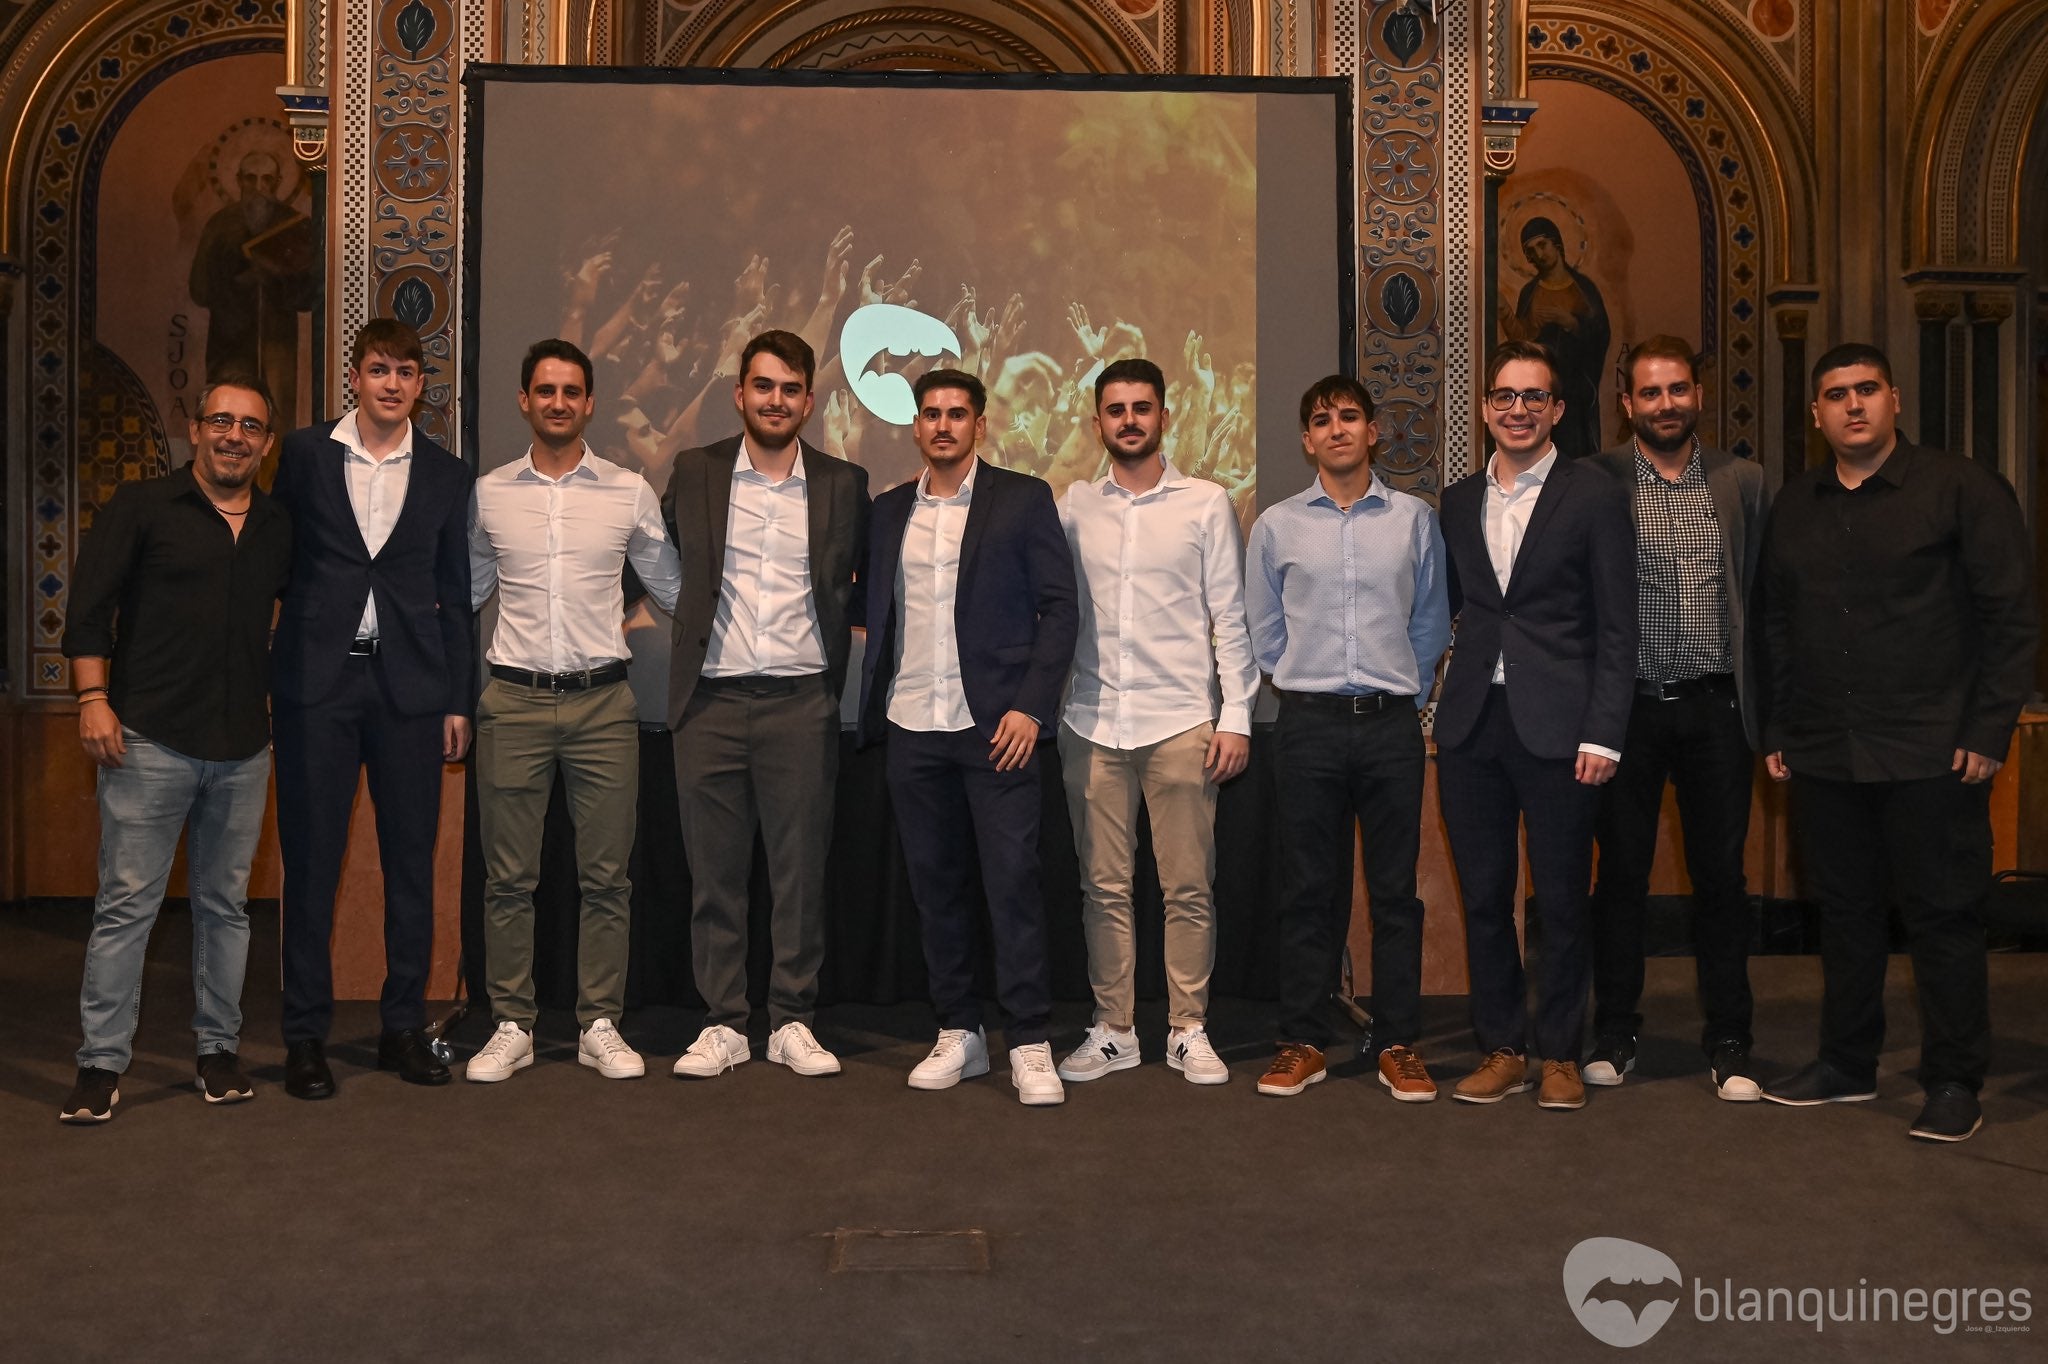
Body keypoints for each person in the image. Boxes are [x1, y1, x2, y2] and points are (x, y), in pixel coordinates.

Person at [1759, 343, 2037, 1143]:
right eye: (1836, 395)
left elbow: (2010, 618)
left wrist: (1989, 730)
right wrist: (1779, 726)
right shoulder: (1797, 503)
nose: (1853, 405)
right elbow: (1776, 623)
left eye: (1867, 390)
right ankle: (1846, 1065)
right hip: (1824, 747)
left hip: (1933, 747)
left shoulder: (1962, 490)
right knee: (1844, 914)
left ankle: (1954, 1080)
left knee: (1942, 917)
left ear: (1896, 400)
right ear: (1816, 414)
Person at [57, 375, 293, 1122]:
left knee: (225, 910)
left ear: (266, 443)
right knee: (127, 909)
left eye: (250, 426)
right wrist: (94, 701)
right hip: (147, 742)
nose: (234, 436)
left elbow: (286, 618)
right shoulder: (142, 507)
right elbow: (88, 612)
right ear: (197, 429)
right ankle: (100, 1064)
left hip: (244, 751)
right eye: (221, 421)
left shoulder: (278, 525)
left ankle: (217, 1052)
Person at [856, 368, 1078, 1106]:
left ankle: (1031, 1039)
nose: (943, 425)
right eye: (930, 414)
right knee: (935, 887)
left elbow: (1060, 609)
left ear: (980, 425)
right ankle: (959, 1031)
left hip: (997, 730)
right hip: (912, 727)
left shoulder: (1022, 498)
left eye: (957, 414)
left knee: (1013, 885)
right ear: (915, 427)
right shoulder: (887, 512)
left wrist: (1030, 708)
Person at [465, 339, 681, 1083]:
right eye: (545, 391)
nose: (558, 402)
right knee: (508, 879)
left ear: (589, 404)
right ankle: (510, 1023)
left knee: (607, 878)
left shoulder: (629, 491)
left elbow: (676, 589)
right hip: (513, 701)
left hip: (603, 706)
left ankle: (598, 1022)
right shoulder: (490, 494)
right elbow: (464, 594)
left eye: (572, 391)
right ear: (524, 401)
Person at [270, 318, 474, 1100]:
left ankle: (401, 1027)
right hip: (316, 689)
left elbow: (455, 597)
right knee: (313, 865)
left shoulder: (447, 476)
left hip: (412, 695)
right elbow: (279, 562)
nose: (392, 383)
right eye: (379, 369)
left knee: (410, 868)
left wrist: (459, 698)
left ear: (422, 385)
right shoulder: (303, 454)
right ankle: (305, 1037)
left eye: (406, 372)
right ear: (354, 376)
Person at [661, 330, 870, 1080]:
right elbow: (655, 560)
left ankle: (791, 1020)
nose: (775, 400)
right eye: (762, 386)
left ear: (808, 401)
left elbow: (867, 583)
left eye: (789, 389)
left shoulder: (845, 483)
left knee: (798, 874)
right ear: (739, 393)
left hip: (800, 705)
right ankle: (723, 1024)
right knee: (713, 876)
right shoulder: (696, 471)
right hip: (709, 704)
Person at [1435, 339, 1636, 1112]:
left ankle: (1559, 1053)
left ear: (1556, 409)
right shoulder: (1456, 501)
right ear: (1486, 408)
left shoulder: (1592, 495)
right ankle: (1502, 1047)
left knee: (1558, 902)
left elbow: (1620, 626)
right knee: (1484, 897)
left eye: (1534, 398)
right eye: (1504, 397)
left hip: (1563, 731)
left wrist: (1604, 731)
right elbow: (1458, 609)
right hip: (1472, 728)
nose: (1517, 410)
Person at [1246, 375, 1452, 1100]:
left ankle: (1396, 1040)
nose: (1337, 428)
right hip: (1308, 727)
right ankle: (1302, 1039)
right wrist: (1302, 679)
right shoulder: (1275, 526)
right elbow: (1264, 631)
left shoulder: (1413, 521)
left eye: (1350, 417)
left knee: (1396, 895)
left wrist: (1402, 682)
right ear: (1307, 439)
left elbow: (1430, 622)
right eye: (1322, 420)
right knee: (1309, 890)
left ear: (1372, 432)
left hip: (1390, 727)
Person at [1054, 357, 1258, 1087]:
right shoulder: (1072, 505)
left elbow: (1229, 618)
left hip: (1181, 722)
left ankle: (1187, 1028)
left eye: (1143, 407)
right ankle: (1115, 1029)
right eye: (1116, 409)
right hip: (1091, 720)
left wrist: (1237, 716)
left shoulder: (1205, 503)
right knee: (1101, 887)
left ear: (1165, 417)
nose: (1130, 420)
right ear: (1099, 420)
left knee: (1188, 887)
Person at [1584, 336, 1770, 1101]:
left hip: (1717, 710)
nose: (1666, 404)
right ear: (1626, 403)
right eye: (1650, 393)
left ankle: (1731, 1040)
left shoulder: (1744, 482)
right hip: (1626, 713)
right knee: (1621, 877)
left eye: (1678, 390)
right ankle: (1616, 1032)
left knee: (1721, 879)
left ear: (1699, 394)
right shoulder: (1593, 481)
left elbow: (1761, 600)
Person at [1501, 217, 1610, 459]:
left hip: (1575, 389)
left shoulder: (1582, 288)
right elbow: (1522, 341)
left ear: (1557, 244)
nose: (1538, 254)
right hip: (1538, 393)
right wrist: (1504, 312)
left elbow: (1601, 334)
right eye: (1531, 251)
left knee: (1575, 455)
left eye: (1542, 245)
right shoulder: (1530, 292)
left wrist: (1570, 322)